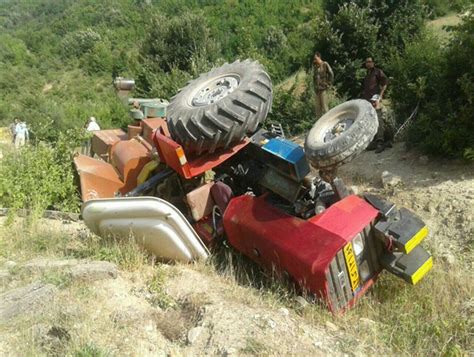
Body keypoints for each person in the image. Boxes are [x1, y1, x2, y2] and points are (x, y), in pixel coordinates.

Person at [362, 57, 389, 153]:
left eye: (370, 62)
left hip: (376, 99)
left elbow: (385, 82)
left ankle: (380, 142)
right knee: (371, 120)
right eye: (366, 62)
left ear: (373, 63)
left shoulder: (378, 72)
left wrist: (380, 96)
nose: (368, 63)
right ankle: (373, 141)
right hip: (368, 101)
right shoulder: (366, 75)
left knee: (378, 118)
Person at [313, 52, 334, 118]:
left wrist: (328, 83)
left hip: (323, 89)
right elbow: (314, 78)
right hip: (317, 90)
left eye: (316, 58)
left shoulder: (325, 64)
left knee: (325, 107)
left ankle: (328, 122)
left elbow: (331, 74)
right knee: (317, 108)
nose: (315, 60)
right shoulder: (316, 67)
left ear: (319, 57)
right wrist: (315, 87)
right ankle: (319, 124)